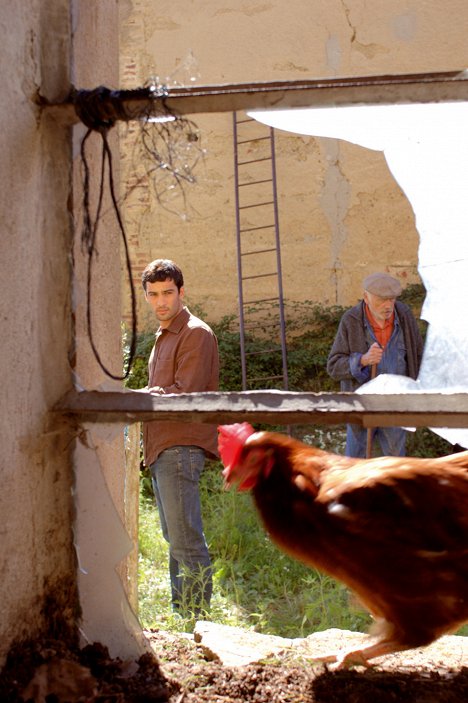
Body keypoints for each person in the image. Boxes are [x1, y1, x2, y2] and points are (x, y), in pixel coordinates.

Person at [141, 259, 219, 617]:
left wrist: (138, 397)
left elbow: (183, 393)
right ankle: (182, 611)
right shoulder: (163, 336)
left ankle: (197, 617)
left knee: (186, 539)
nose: (161, 301)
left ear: (181, 293)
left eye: (168, 293)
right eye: (154, 294)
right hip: (162, 447)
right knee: (175, 539)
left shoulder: (195, 333)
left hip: (181, 445)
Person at [327, 272, 423, 458]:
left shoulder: (404, 316)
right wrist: (362, 360)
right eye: (381, 300)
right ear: (366, 297)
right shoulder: (351, 320)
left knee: (395, 462)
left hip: (396, 405)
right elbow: (333, 366)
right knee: (356, 462)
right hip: (361, 406)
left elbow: (417, 357)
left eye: (392, 299)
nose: (388, 306)